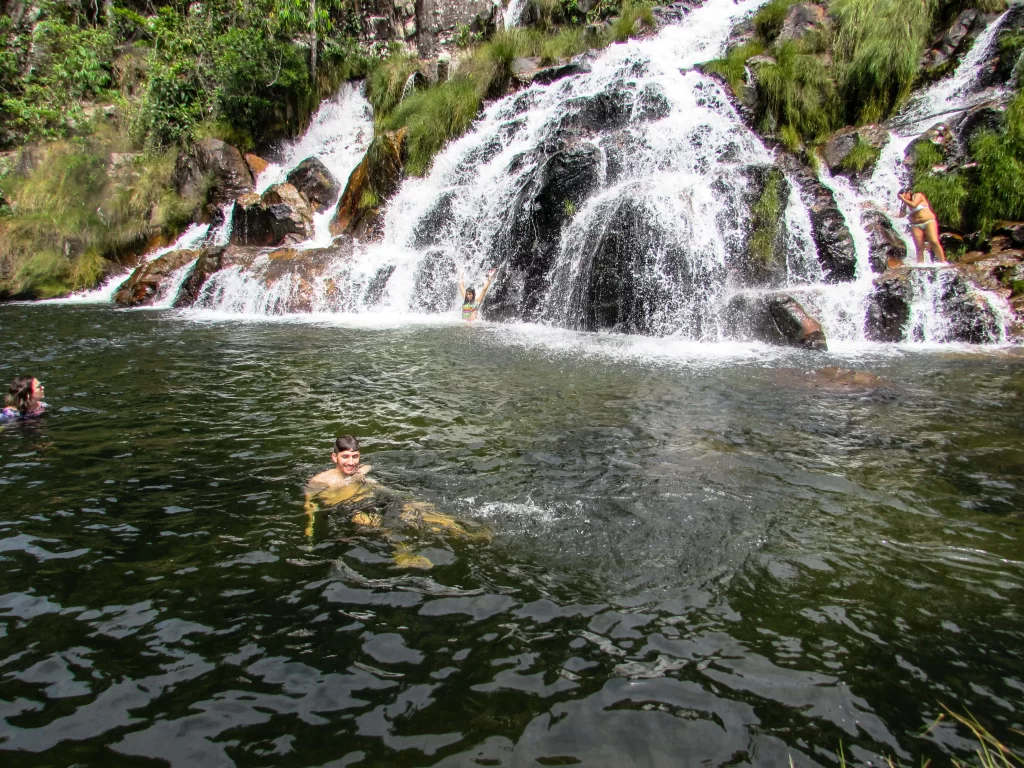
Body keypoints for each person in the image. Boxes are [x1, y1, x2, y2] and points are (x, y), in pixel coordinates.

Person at [304, 435, 490, 567]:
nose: (351, 462)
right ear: (334, 457)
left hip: (373, 499)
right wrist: (310, 527)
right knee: (383, 524)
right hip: (349, 508)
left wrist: (400, 498)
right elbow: (309, 504)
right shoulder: (321, 481)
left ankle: (460, 531)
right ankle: (401, 555)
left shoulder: (361, 470)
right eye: (345, 457)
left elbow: (376, 486)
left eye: (355, 456)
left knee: (421, 509)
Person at [897, 188, 946, 264]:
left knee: (934, 241)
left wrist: (902, 198)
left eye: (904, 196)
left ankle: (943, 262)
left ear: (908, 193)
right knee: (919, 247)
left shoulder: (918, 196)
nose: (903, 198)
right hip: (915, 225)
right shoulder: (905, 204)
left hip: (928, 222)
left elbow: (914, 205)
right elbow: (900, 215)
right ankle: (920, 265)